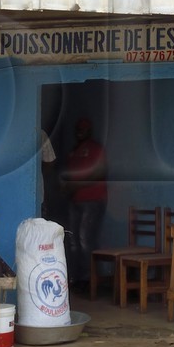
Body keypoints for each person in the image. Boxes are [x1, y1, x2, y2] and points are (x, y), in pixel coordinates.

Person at [61, 118, 108, 281]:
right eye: (78, 129)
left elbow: (100, 173)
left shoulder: (95, 148)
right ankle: (77, 278)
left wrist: (77, 185)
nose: (80, 132)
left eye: (84, 129)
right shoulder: (74, 151)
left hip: (92, 200)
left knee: (85, 240)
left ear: (90, 130)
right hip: (75, 200)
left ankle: (90, 280)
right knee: (73, 241)